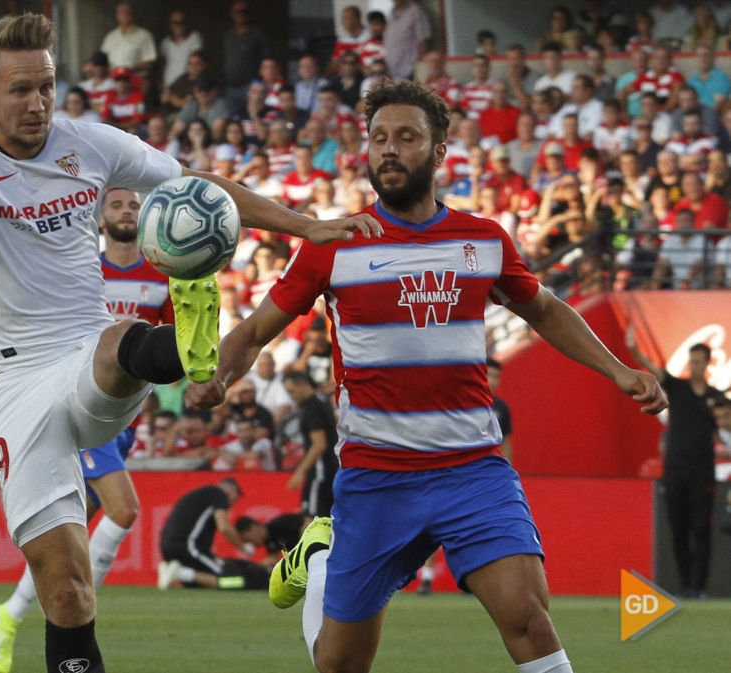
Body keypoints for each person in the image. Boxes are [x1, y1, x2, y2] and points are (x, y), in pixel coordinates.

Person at [0, 13, 379, 673]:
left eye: (47, 86)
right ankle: (187, 340)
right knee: (66, 588)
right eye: (21, 89)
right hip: (9, 385)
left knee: (116, 344)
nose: (39, 103)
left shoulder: (89, 143)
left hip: (88, 354)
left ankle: (191, 346)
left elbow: (202, 190)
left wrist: (305, 225)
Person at [186, 80, 668, 673]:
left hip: (472, 470)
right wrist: (217, 376)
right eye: (379, 138)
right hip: (377, 478)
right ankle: (317, 556)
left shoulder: (483, 240)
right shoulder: (332, 244)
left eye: (407, 138)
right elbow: (256, 330)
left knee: (528, 619)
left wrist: (617, 369)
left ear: (440, 152)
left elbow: (543, 308)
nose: (389, 150)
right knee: (339, 665)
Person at [0, 187, 173, 672]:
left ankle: (9, 613)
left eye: (134, 205)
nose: (127, 211)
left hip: (123, 413)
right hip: (75, 399)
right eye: (117, 205)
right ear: (100, 217)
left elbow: (172, 346)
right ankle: (79, 609)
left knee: (66, 536)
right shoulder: (85, 271)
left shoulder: (163, 272)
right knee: (124, 508)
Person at [626, 333, 723, 598]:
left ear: (708, 363)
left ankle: (699, 587)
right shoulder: (677, 388)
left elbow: (724, 433)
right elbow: (652, 369)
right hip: (675, 469)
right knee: (678, 526)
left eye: (699, 361)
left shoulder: (717, 398)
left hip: (703, 471)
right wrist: (634, 347)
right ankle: (686, 586)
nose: (695, 365)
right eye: (692, 361)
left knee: (701, 527)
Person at [156, 477, 266, 590]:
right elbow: (224, 527)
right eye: (235, 500)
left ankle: (177, 571)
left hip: (168, 547)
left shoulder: (200, 495)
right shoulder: (219, 494)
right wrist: (243, 547)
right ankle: (180, 573)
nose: (231, 505)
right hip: (188, 547)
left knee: (202, 581)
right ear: (232, 490)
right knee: (230, 579)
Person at [281, 370, 338, 520]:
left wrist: (299, 472)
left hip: (320, 472)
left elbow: (319, 444)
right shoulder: (322, 401)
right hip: (331, 469)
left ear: (304, 385)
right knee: (328, 521)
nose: (291, 396)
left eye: (292, 391)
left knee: (311, 522)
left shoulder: (311, 408)